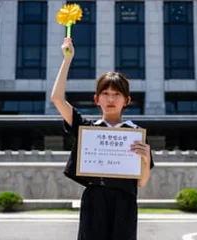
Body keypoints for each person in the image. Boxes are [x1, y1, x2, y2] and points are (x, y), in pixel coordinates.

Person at [51, 38, 154, 240]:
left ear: (127, 100)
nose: (111, 99)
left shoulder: (135, 133)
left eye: (117, 94)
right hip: (94, 202)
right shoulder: (87, 129)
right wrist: (67, 60)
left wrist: (145, 158)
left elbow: (141, 182)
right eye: (105, 94)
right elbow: (57, 98)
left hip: (124, 203)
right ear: (97, 99)